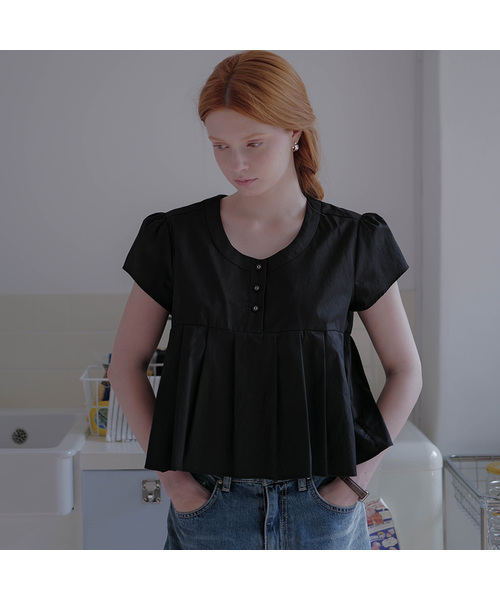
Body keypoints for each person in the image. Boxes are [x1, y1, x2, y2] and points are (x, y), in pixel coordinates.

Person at [108, 51, 422, 550]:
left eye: (254, 143)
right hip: (208, 509)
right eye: (220, 146)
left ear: (295, 132)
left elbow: (406, 371)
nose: (236, 164)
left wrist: (352, 485)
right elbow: (125, 365)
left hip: (324, 509)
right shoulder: (174, 238)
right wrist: (177, 484)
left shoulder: (354, 240)